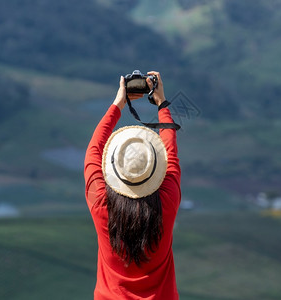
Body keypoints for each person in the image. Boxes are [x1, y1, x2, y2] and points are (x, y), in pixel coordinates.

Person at [84, 71, 181, 300]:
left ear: (115, 168)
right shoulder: (167, 203)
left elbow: (92, 151)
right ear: (154, 168)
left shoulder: (100, 205)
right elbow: (171, 153)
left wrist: (118, 103)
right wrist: (161, 103)